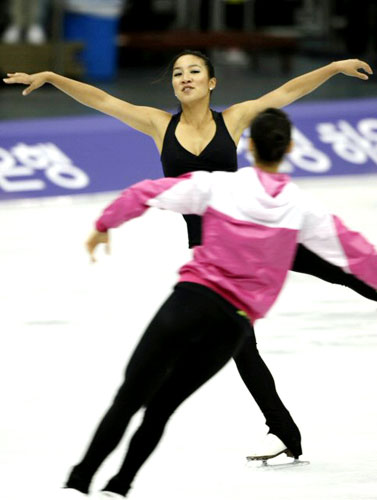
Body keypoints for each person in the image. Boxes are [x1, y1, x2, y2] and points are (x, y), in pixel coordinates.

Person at [3, 51, 375, 462]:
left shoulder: (232, 119)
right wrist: (55, 75)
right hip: (217, 256)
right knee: (242, 347)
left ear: (211, 82)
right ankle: (285, 432)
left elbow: (287, 91)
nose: (185, 77)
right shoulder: (159, 125)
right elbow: (102, 100)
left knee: (341, 273)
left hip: (258, 233)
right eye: (178, 73)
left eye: (194, 71)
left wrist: (335, 68)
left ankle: (285, 432)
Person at [62, 107, 377, 499]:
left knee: (129, 398)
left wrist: (104, 225)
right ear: (291, 147)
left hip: (189, 303)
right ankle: (118, 486)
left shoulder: (218, 186)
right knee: (161, 408)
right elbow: (362, 256)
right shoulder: (304, 210)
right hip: (232, 322)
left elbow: (145, 193)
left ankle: (78, 483)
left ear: (248, 145)